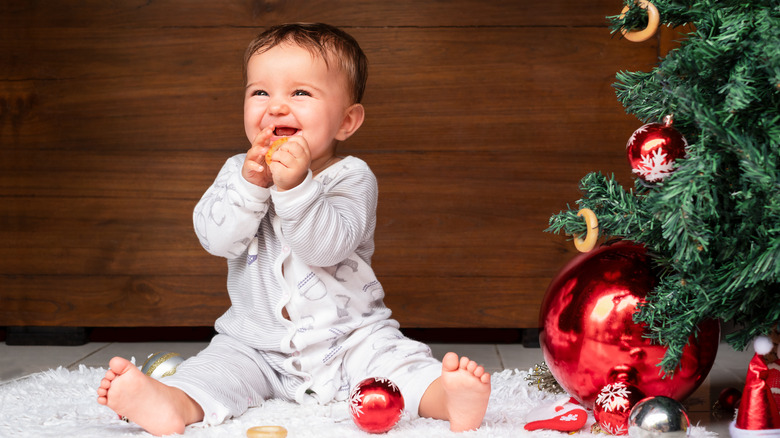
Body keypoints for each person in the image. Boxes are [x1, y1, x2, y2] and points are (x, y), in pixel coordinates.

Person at [97, 22, 491, 436]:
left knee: (397, 365)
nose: (277, 107)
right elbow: (217, 241)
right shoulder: (238, 171)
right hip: (254, 345)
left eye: (300, 93)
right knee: (212, 372)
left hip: (350, 338)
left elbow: (326, 248)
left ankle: (448, 399)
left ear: (346, 121)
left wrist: (296, 188)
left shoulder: (352, 177)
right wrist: (250, 189)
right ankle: (170, 403)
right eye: (260, 92)